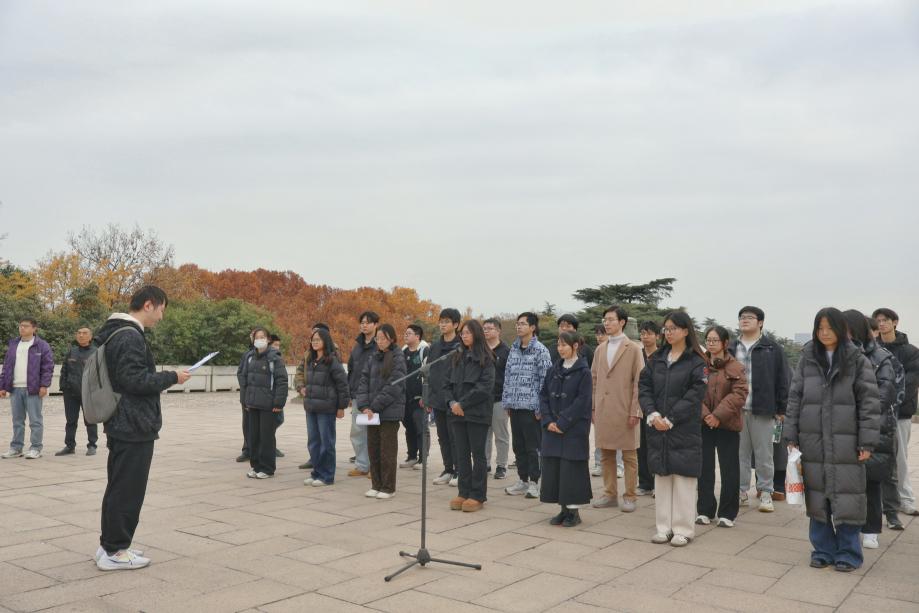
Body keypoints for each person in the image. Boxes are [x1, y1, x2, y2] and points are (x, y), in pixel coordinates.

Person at [92, 286, 191, 570]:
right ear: (149, 305)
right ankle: (116, 551)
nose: (161, 316)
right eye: (161, 310)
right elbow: (134, 380)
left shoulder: (116, 332)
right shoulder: (130, 336)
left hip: (122, 422)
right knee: (128, 489)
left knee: (118, 486)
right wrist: (172, 377)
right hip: (133, 423)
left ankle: (109, 544)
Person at [784, 307, 880, 572]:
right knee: (817, 496)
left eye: (829, 328)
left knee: (848, 496)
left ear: (841, 329)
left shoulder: (856, 359)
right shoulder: (807, 357)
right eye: (820, 328)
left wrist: (867, 442)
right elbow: (795, 398)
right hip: (812, 439)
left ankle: (848, 553)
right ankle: (823, 550)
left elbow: (870, 404)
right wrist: (791, 434)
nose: (824, 333)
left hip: (847, 441)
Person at [639, 311, 707, 547]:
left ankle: (683, 529)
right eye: (666, 329)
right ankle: (663, 527)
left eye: (673, 328)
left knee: (683, 478)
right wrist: (652, 413)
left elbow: (695, 394)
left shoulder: (696, 362)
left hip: (683, 428)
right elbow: (644, 387)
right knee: (662, 476)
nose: (668, 333)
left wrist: (671, 418)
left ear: (686, 331)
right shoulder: (657, 358)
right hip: (657, 426)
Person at [843, 310, 899, 549]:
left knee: (871, 481)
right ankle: (848, 525)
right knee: (846, 482)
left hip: (872, 426)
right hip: (842, 428)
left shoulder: (881, 357)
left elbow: (884, 395)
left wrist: (857, 415)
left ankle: (871, 529)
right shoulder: (836, 354)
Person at [728, 306, 789, 512]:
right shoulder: (731, 347)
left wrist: (781, 408)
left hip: (763, 409)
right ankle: (741, 491)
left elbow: (782, 379)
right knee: (739, 454)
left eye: (750, 317)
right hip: (735, 410)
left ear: (760, 322)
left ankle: (766, 492)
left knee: (764, 454)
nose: (744, 320)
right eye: (741, 317)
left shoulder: (772, 348)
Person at [591, 306, 644, 513]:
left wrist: (635, 410)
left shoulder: (633, 349)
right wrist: (593, 407)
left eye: (611, 319)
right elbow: (594, 380)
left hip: (625, 408)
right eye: (605, 319)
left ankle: (630, 496)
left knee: (629, 455)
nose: (607, 323)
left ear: (622, 322)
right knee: (606, 454)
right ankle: (609, 494)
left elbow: (640, 382)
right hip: (604, 409)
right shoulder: (600, 349)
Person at [540, 331, 593, 527]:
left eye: (564, 345)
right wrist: (548, 420)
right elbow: (544, 396)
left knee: (571, 469)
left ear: (575, 346)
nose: (560, 349)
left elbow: (583, 401)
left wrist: (563, 422)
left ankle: (573, 512)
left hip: (573, 429)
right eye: (558, 345)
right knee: (555, 468)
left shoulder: (584, 372)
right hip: (552, 429)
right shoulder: (553, 370)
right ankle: (563, 509)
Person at [697, 326, 748, 528]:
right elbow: (693, 391)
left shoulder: (736, 367)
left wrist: (717, 415)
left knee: (729, 470)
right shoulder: (699, 365)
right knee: (704, 468)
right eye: (708, 340)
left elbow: (739, 394)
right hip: (704, 423)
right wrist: (706, 415)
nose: (711, 344)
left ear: (725, 343)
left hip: (727, 425)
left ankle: (727, 513)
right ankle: (704, 509)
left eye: (715, 340)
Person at [444, 320, 496, 512]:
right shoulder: (457, 356)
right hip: (457, 414)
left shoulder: (487, 358)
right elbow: (446, 384)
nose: (464, 336)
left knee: (478, 455)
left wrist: (462, 404)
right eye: (462, 333)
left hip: (476, 414)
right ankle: (463, 491)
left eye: (468, 332)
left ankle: (477, 495)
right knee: (462, 454)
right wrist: (452, 403)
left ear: (476, 334)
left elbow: (484, 387)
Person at [873, 307, 919, 517]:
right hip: (876, 412)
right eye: (878, 321)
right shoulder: (872, 349)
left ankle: (905, 500)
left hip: (900, 413)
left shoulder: (910, 351)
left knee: (900, 458)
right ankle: (882, 501)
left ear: (895, 322)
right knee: (875, 457)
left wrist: (890, 402)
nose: (881, 324)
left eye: (885, 320)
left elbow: (909, 383)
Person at [503, 312, 552, 499]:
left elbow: (546, 381)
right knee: (518, 446)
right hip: (515, 406)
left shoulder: (540, 350)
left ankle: (535, 482)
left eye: (523, 324)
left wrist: (541, 407)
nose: (519, 326)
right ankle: (522, 480)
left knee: (533, 447)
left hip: (531, 408)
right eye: (518, 323)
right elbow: (507, 377)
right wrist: (507, 401)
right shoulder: (513, 349)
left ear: (532, 327)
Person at [356, 324, 407, 499]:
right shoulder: (373, 357)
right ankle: (376, 485)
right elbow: (363, 382)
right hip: (371, 412)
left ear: (391, 339)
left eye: (383, 338)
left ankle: (388, 487)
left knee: (387, 452)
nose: (380, 341)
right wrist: (364, 406)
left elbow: (394, 386)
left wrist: (374, 406)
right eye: (377, 338)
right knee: (373, 450)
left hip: (389, 412)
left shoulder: (398, 357)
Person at [299, 327, 350, 487]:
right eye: (313, 340)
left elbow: (343, 385)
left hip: (326, 408)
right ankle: (316, 472)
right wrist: (302, 388)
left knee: (326, 443)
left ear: (325, 341)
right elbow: (304, 380)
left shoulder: (332, 360)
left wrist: (341, 407)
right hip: (311, 407)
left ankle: (327, 476)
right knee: (313, 442)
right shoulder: (310, 360)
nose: (314, 342)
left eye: (318, 340)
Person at [0, 318, 54, 459]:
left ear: (34, 328)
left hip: (33, 389)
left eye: (26, 326)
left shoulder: (42, 345)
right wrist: (3, 386)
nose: (22, 328)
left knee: (35, 420)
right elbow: (6, 367)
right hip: (15, 388)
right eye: (20, 326)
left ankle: (36, 448)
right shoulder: (13, 344)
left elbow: (47, 367)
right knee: (17, 421)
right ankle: (16, 448)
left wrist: (44, 385)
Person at [240, 327, 289, 479]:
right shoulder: (250, 357)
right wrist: (246, 400)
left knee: (266, 437)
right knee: (253, 437)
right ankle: (256, 466)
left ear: (268, 340)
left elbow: (282, 381)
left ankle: (267, 468)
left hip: (268, 405)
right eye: (257, 337)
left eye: (262, 337)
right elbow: (245, 380)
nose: (259, 340)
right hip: (253, 404)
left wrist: (278, 403)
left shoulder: (275, 358)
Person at [424, 308, 462, 486]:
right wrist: (428, 397)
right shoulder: (435, 346)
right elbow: (430, 372)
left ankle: (460, 470)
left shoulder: (461, 346)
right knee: (443, 436)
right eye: (441, 321)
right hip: (437, 398)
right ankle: (448, 469)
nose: (443, 324)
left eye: (447, 321)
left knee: (456, 437)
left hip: (454, 399)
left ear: (456, 324)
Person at [55, 326, 99, 456]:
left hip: (88, 393)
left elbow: (100, 373)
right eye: (79, 333)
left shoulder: (96, 352)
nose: (81, 335)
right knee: (70, 421)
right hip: (70, 393)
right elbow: (64, 370)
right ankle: (70, 446)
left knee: (90, 420)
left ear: (90, 337)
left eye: (85, 333)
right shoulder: (72, 351)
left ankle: (92, 445)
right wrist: (64, 387)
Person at [347, 311, 379, 477]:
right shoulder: (357, 346)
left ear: (375, 325)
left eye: (368, 322)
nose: (364, 325)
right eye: (362, 322)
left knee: (373, 433)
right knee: (357, 432)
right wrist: (350, 393)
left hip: (373, 397)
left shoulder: (380, 345)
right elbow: (351, 370)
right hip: (358, 396)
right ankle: (362, 465)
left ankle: (375, 467)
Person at [483, 318, 511, 480]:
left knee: (501, 435)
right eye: (484, 328)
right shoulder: (480, 349)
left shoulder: (506, 351)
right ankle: (485, 463)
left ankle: (501, 465)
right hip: (482, 399)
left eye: (490, 328)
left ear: (498, 331)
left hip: (500, 399)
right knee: (484, 435)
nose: (486, 331)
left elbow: (510, 376)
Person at [636, 320, 661, 495]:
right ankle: (645, 482)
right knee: (641, 445)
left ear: (657, 336)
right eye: (643, 333)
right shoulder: (637, 355)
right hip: (639, 404)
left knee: (656, 445)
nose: (645, 337)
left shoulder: (662, 356)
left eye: (649, 333)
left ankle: (658, 483)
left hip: (657, 405)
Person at [399, 324, 428, 469]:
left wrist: (425, 396)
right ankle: (411, 456)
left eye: (409, 333)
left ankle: (423, 459)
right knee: (408, 427)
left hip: (419, 398)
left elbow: (429, 375)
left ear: (417, 336)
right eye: (405, 333)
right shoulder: (403, 352)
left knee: (420, 427)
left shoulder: (424, 351)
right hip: (404, 397)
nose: (406, 335)